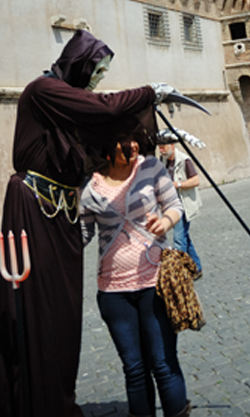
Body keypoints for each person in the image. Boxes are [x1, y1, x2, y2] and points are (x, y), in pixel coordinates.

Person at [0, 29, 178, 417]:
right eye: (96, 70)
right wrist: (150, 93)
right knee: (39, 312)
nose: (98, 80)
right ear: (78, 63)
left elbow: (105, 138)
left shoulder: (65, 112)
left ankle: (58, 400)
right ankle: (38, 405)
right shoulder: (42, 90)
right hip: (34, 210)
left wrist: (149, 133)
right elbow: (107, 108)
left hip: (61, 217)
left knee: (63, 317)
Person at [79, 134, 191, 417]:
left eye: (134, 140)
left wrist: (165, 221)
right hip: (113, 291)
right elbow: (83, 234)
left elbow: (175, 205)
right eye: (123, 141)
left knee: (163, 363)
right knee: (134, 368)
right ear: (107, 144)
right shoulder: (89, 185)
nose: (132, 146)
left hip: (154, 282)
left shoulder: (151, 167)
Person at [159, 141, 202, 278]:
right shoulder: (163, 161)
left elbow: (196, 181)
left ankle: (178, 274)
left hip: (184, 204)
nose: (161, 150)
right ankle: (197, 268)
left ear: (172, 146)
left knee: (178, 239)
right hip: (171, 205)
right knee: (184, 237)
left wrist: (177, 184)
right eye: (159, 148)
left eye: (163, 147)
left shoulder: (184, 160)